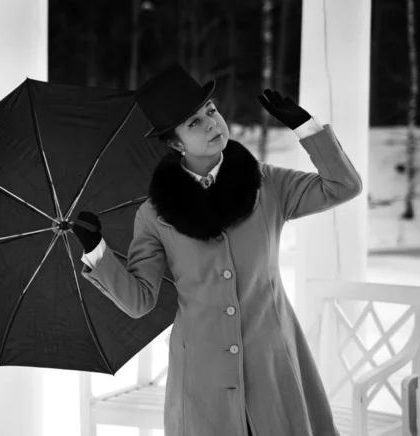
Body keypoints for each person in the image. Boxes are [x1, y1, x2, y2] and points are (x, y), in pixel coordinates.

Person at [72, 63, 362, 436]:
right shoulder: (155, 215)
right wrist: (97, 250)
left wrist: (307, 129)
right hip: (201, 373)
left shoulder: (268, 184)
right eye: (194, 122)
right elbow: (139, 300)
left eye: (210, 111)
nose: (211, 123)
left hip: (272, 361)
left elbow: (343, 186)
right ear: (175, 143)